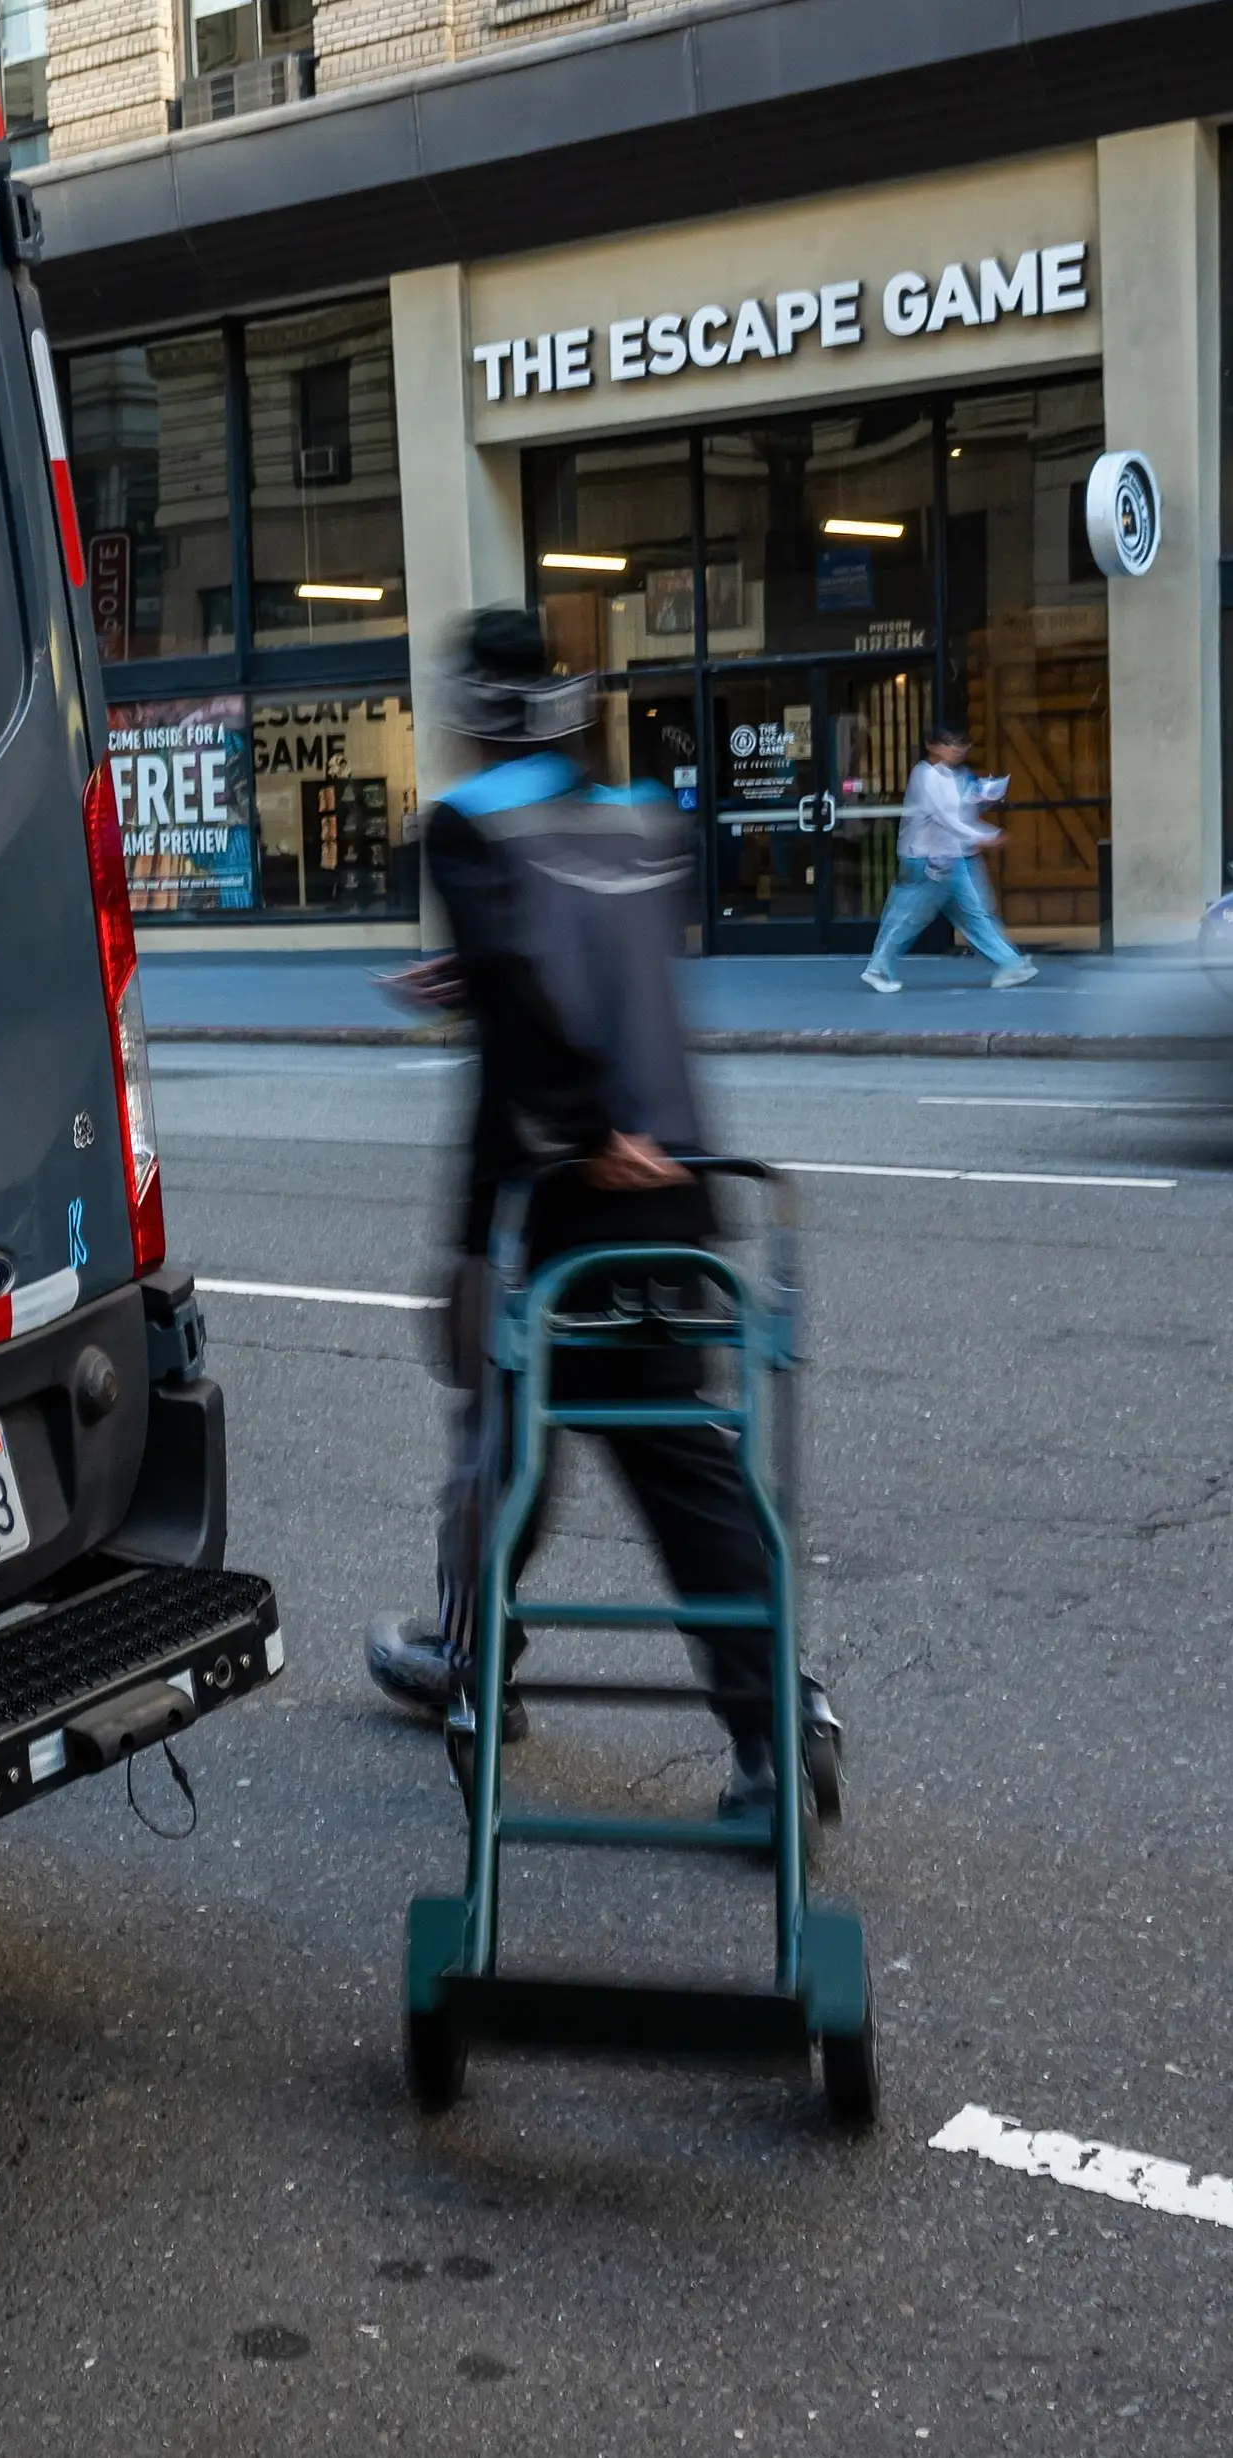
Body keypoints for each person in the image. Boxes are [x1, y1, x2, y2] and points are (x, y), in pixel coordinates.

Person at [364, 608, 784, 1822]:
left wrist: (590, 1125)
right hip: (683, 1183)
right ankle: (773, 1728)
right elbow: (604, 954)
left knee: (497, 1448)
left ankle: (467, 1666)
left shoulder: (462, 827)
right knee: (685, 1464)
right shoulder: (648, 820)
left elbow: (519, 983)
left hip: (550, 1193)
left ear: (471, 716)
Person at [860, 722, 1039, 994]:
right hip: (924, 861)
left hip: (950, 860)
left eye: (960, 743)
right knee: (908, 916)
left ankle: (1011, 964)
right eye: (950, 743)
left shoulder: (956, 776)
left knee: (973, 914)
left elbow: (961, 817)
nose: (957, 749)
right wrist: (984, 836)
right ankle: (877, 968)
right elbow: (945, 819)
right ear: (933, 746)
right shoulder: (924, 776)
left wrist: (983, 818)